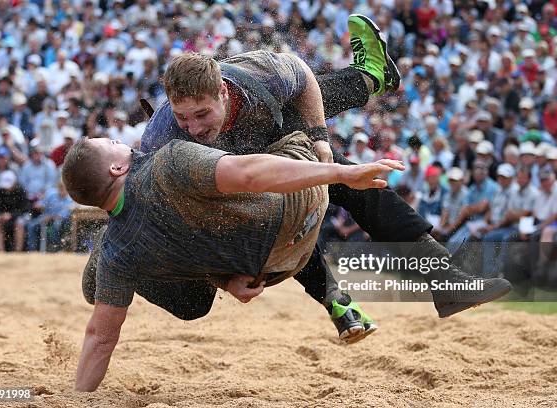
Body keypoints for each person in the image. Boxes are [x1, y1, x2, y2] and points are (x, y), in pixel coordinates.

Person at [82, 14, 510, 346]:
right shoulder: (166, 142)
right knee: (199, 301)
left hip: (272, 143)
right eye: (183, 117)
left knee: (355, 182)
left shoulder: (257, 75)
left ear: (224, 94)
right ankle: (371, 77)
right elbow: (167, 221)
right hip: (214, 194)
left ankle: (447, 283)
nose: (193, 127)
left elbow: (304, 78)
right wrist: (222, 279)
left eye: (202, 115)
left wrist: (322, 141)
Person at [63, 131, 403, 392]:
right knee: (278, 102)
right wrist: (342, 173)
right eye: (112, 142)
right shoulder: (167, 163)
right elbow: (250, 174)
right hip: (296, 214)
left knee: (130, 260)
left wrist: (78, 398)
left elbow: (100, 338)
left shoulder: (116, 255)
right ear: (117, 166)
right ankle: (367, 78)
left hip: (270, 271)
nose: (120, 140)